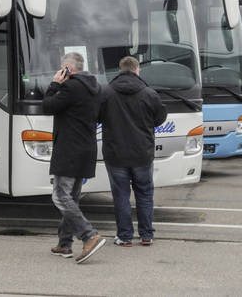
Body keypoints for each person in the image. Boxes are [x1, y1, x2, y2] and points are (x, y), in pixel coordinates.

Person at [43, 52, 106, 264]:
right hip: (86, 149)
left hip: (69, 149)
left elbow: (48, 106)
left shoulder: (70, 87)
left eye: (62, 68)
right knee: (73, 198)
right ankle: (64, 243)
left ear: (68, 69)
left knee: (60, 196)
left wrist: (54, 84)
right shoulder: (95, 88)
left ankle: (89, 236)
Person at [99, 56, 167, 247]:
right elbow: (160, 116)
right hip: (142, 153)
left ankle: (125, 236)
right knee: (145, 194)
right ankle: (146, 235)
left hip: (115, 153)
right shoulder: (149, 93)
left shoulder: (106, 92)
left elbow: (96, 116)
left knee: (121, 195)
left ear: (120, 70)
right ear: (137, 70)